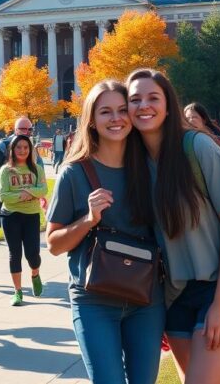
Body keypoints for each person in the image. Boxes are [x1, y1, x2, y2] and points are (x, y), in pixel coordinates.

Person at [125, 69, 220, 383]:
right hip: (176, 297)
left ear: (169, 105)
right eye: (135, 99)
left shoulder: (197, 147)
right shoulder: (135, 163)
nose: (144, 105)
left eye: (152, 98)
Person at [46, 80, 164, 383]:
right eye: (105, 112)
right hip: (93, 300)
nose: (116, 119)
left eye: (123, 110)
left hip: (145, 300)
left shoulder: (150, 168)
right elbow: (54, 244)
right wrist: (89, 218)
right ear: (92, 121)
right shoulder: (74, 172)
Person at [0, 135, 48, 306]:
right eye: (18, 147)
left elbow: (43, 189)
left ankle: (35, 274)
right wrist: (26, 194)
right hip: (11, 216)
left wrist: (27, 192)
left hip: (31, 216)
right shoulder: (5, 170)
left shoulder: (36, 169)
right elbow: (3, 195)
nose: (22, 150)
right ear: (12, 149)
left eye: (26, 147)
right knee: (15, 254)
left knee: (32, 254)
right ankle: (18, 291)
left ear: (30, 149)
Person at [0, 116, 45, 181]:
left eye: (30, 129)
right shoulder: (2, 147)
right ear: (16, 130)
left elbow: (40, 178)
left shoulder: (33, 150)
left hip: (28, 189)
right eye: (23, 129)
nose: (27, 132)